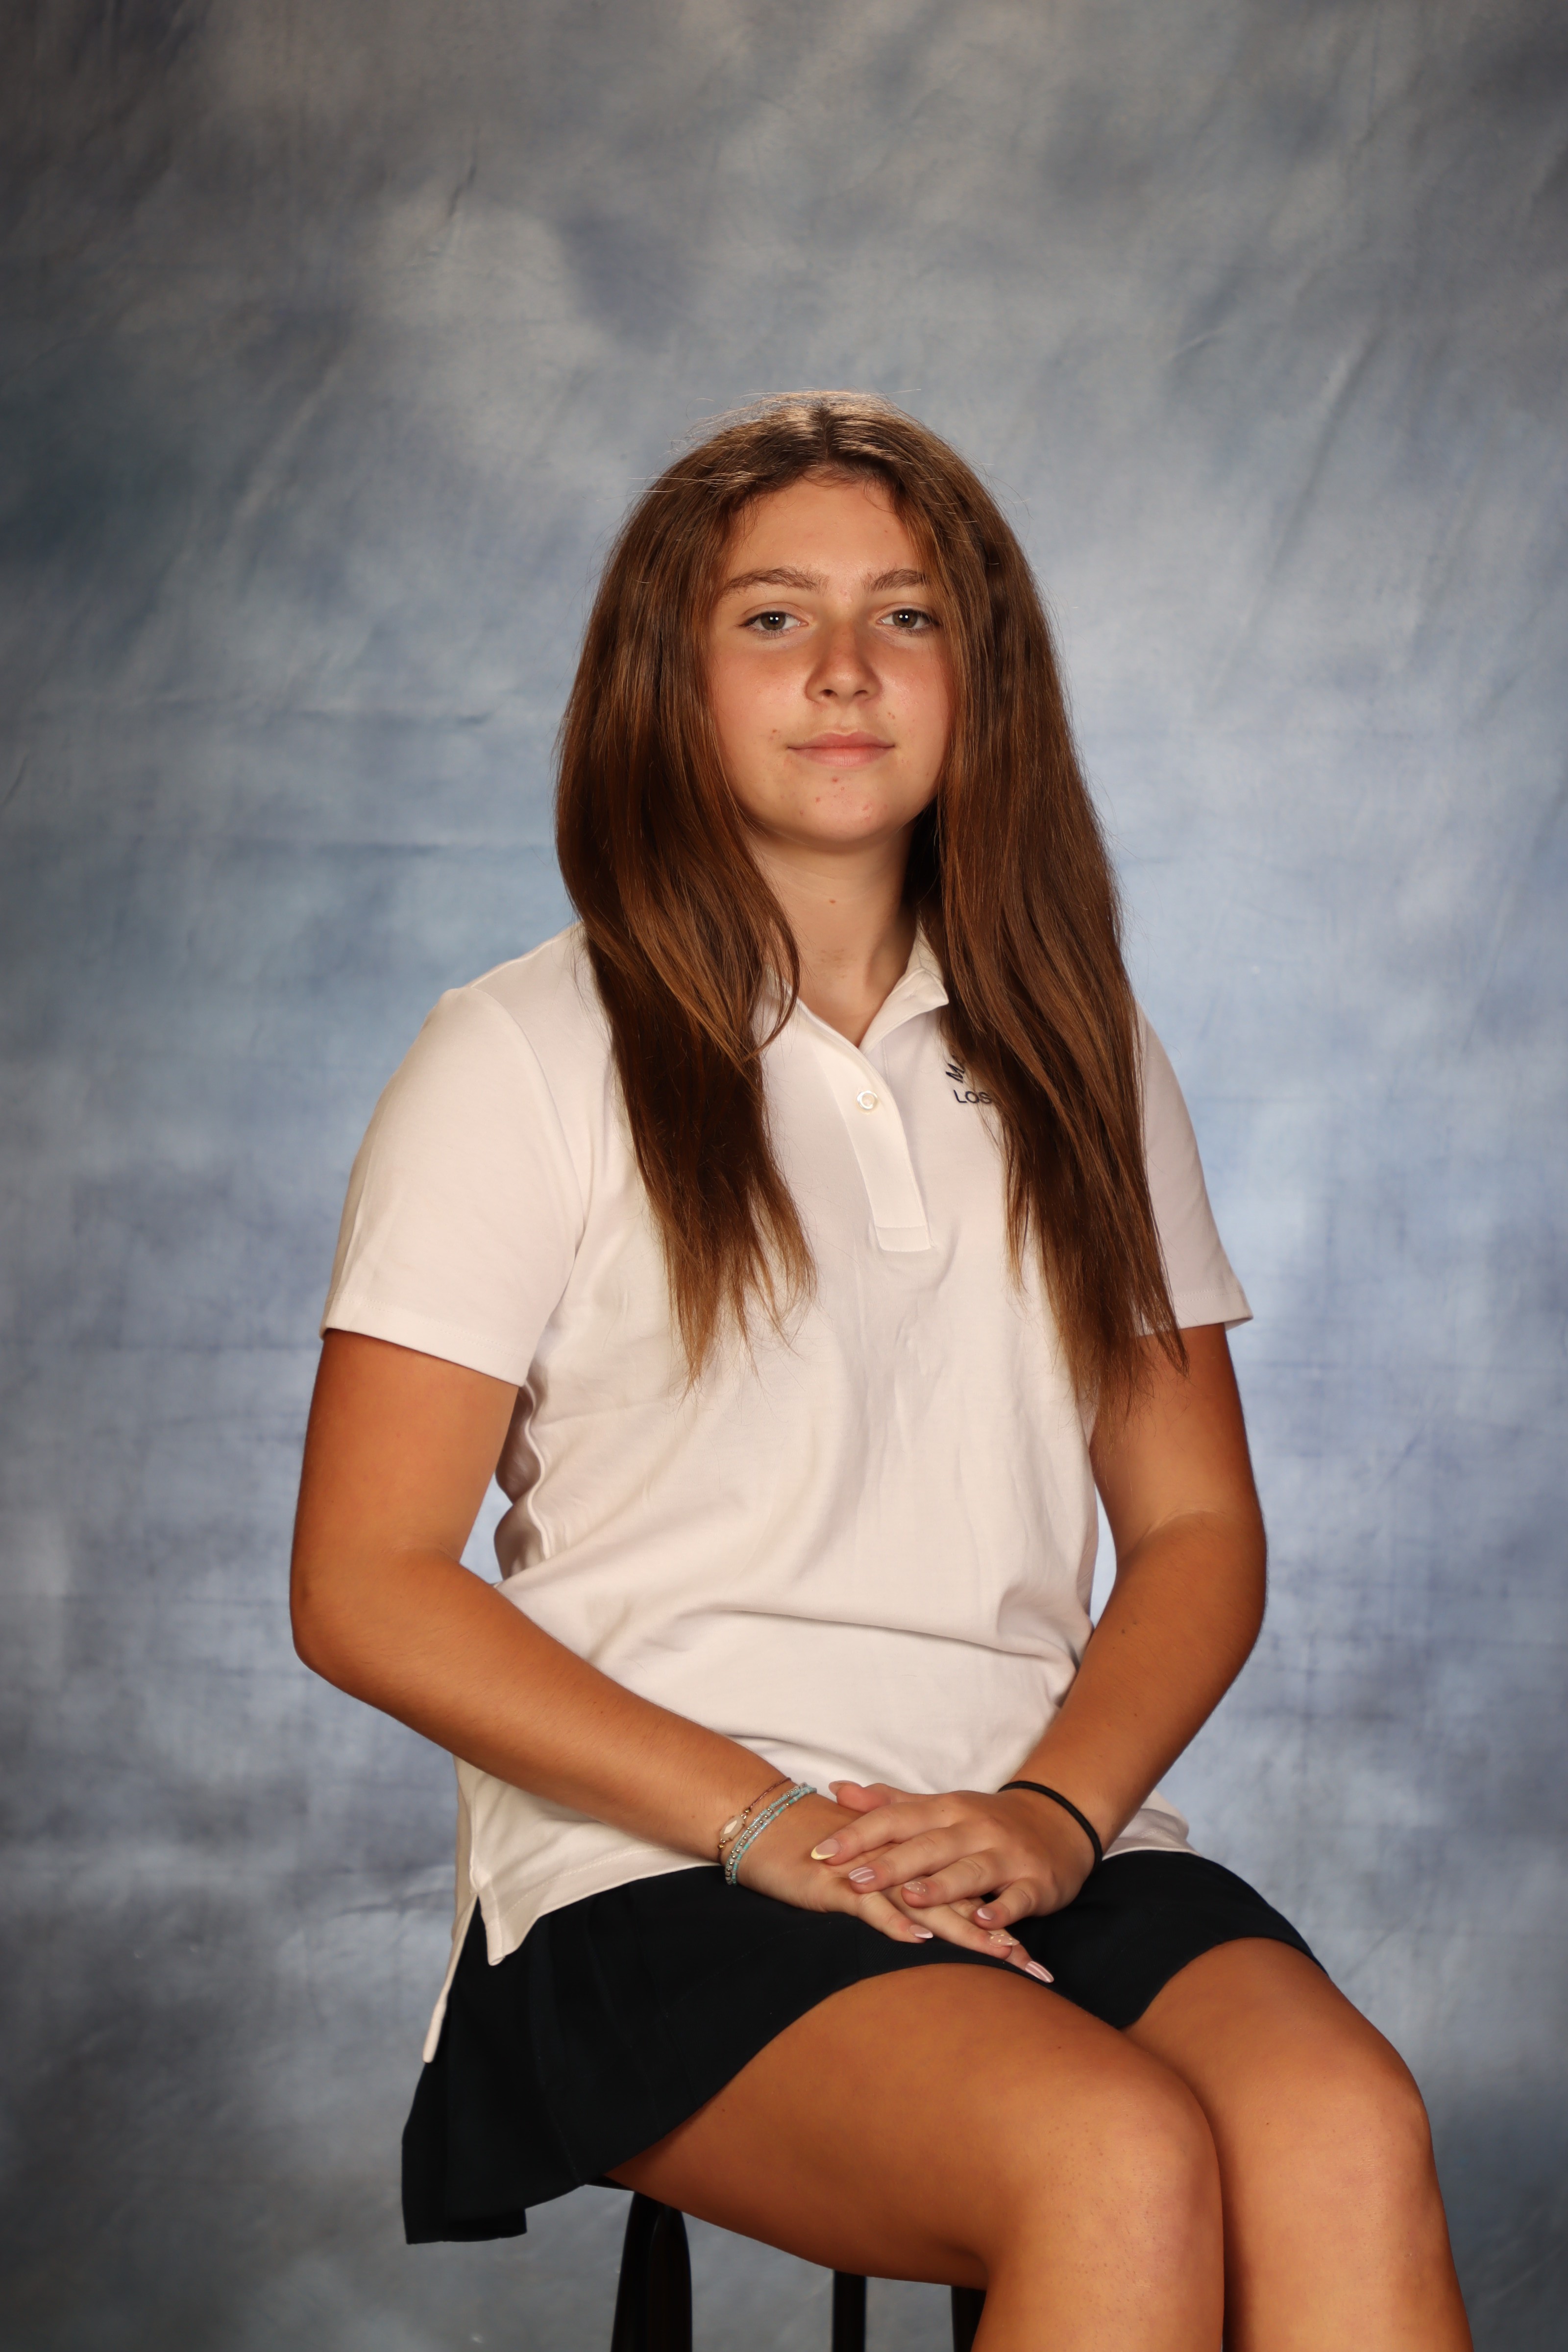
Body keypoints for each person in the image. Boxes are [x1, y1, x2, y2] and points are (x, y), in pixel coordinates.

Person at [290, 394, 1471, 2349]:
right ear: (666, 683)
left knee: (1344, 2131)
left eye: (905, 616)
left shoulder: (1080, 1050)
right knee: (1110, 2155)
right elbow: (363, 1581)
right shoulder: (518, 1055)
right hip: (661, 1860)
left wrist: (1055, 1816)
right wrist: (765, 1819)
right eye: (771, 617)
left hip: (1028, 1827)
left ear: (977, 680)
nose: (843, 668)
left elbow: (1195, 1529)